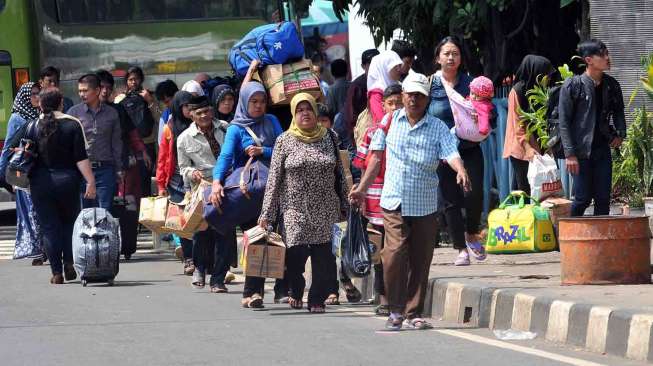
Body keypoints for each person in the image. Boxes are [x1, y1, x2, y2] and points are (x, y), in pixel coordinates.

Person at [350, 72, 470, 330]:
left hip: (425, 203)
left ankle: (413, 311)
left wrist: (460, 169)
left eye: (419, 95)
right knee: (393, 254)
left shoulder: (437, 127)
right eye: (410, 94)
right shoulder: (389, 121)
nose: (414, 99)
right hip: (394, 200)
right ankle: (395, 309)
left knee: (420, 258)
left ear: (427, 99)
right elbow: (376, 159)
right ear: (402, 96)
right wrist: (362, 189)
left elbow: (451, 152)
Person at [259, 93, 347, 313]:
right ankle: (296, 287)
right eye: (300, 110)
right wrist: (267, 214)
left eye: (309, 109)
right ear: (293, 114)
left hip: (326, 206)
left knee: (324, 257)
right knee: (295, 253)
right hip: (294, 207)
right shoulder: (284, 140)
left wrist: (346, 202)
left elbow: (340, 173)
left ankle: (316, 298)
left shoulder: (330, 137)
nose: (305, 113)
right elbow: (274, 180)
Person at [210, 81, 283, 309]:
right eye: (253, 102)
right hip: (247, 193)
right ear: (245, 103)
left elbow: (285, 147)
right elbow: (225, 156)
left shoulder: (271, 121)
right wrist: (216, 182)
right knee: (255, 238)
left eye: (262, 102)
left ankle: (256, 292)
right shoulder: (236, 128)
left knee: (265, 239)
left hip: (274, 189)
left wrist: (264, 151)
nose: (258, 106)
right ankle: (251, 292)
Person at [24, 88, 96, 284]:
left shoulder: (31, 126)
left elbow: (22, 155)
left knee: (49, 227)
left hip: (40, 183)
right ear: (61, 102)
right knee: (68, 225)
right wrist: (90, 181)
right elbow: (81, 158)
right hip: (68, 182)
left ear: (40, 104)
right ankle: (69, 263)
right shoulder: (73, 124)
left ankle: (56, 272)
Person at [427, 36, 485, 266]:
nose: (451, 58)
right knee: (450, 200)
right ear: (437, 58)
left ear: (461, 58)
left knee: (474, 193)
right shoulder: (430, 85)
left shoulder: (472, 85)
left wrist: (481, 117)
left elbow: (489, 113)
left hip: (469, 149)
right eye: (446, 53)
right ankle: (460, 247)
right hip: (443, 153)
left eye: (456, 54)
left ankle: (471, 233)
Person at [352, 84, 403, 315]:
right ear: (382, 106)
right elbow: (364, 167)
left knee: (400, 249)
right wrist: (361, 195)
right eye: (390, 104)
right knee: (382, 251)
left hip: (403, 198)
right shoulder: (373, 133)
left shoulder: (409, 131)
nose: (394, 108)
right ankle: (383, 297)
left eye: (398, 103)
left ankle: (400, 298)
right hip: (375, 200)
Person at [559, 39, 626, 216]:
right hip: (580, 153)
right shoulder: (573, 85)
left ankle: (600, 241)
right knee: (582, 198)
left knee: (603, 198)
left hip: (602, 149)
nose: (608, 58)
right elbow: (564, 122)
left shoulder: (612, 85)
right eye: (603, 54)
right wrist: (570, 154)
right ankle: (568, 237)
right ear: (589, 60)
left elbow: (619, 112)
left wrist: (620, 134)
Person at [177, 95, 232, 292]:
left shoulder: (226, 128)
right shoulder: (184, 139)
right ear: (191, 115)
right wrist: (193, 173)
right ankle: (199, 268)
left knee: (225, 232)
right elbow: (183, 168)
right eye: (199, 113)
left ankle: (218, 279)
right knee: (202, 232)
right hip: (202, 189)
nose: (204, 116)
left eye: (207, 111)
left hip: (228, 185)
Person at [96, 69, 150, 260]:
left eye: (107, 88)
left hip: (124, 167)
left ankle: (127, 247)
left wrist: (142, 152)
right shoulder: (81, 113)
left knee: (128, 207)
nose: (104, 91)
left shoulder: (118, 110)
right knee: (101, 209)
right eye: (101, 87)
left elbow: (132, 134)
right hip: (96, 169)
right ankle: (101, 248)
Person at [0, 82, 44, 265]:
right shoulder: (17, 118)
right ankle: (34, 249)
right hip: (23, 175)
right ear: (25, 97)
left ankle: (42, 248)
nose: (36, 97)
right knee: (30, 213)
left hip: (38, 172)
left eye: (38, 94)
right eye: (33, 94)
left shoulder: (38, 115)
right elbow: (8, 148)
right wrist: (5, 176)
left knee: (39, 212)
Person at [67, 74, 123, 210]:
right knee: (84, 215)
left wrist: (119, 169)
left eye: (85, 90)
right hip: (81, 172)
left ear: (97, 91)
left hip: (105, 170)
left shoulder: (111, 113)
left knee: (104, 212)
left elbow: (116, 143)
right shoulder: (73, 113)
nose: (81, 94)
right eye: (80, 91)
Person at [157, 91, 195, 275]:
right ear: (179, 107)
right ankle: (189, 258)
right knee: (182, 223)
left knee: (198, 221)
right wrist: (161, 185)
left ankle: (200, 258)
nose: (190, 110)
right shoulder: (169, 128)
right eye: (186, 106)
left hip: (197, 181)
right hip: (176, 183)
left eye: (191, 106)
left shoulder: (201, 125)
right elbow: (163, 158)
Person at [504, 55, 555, 193]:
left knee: (534, 190)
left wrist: (547, 146)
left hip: (538, 148)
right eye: (545, 75)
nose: (548, 79)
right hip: (522, 148)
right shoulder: (518, 91)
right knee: (526, 191)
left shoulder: (541, 91)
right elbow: (518, 122)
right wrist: (527, 147)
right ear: (536, 72)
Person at [116, 66, 158, 198]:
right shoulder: (119, 99)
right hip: (129, 148)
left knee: (145, 180)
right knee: (129, 184)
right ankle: (131, 214)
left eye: (137, 79)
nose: (134, 82)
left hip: (148, 144)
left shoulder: (149, 96)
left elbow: (159, 119)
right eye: (130, 79)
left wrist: (150, 101)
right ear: (126, 81)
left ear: (141, 80)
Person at [343, 49, 380, 134]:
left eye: (377, 63)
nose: (375, 66)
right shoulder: (357, 86)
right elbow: (351, 112)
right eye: (371, 63)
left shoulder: (385, 81)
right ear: (363, 66)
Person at [367, 51, 404, 125]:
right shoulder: (376, 94)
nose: (399, 69)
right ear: (384, 67)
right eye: (395, 66)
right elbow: (382, 122)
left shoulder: (401, 86)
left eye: (400, 65)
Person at [155, 80, 179, 146]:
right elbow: (161, 143)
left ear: (176, 94)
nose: (166, 105)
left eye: (167, 101)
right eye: (163, 102)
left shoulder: (188, 110)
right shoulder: (165, 117)